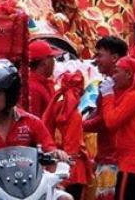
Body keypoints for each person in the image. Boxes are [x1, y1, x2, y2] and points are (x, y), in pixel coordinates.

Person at [100, 56, 135, 200]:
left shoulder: (134, 96)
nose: (113, 76)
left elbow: (111, 121)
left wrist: (107, 95)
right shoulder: (133, 94)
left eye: (116, 72)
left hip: (133, 163)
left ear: (129, 74)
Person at [83, 35, 127, 200]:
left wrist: (79, 126)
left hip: (115, 157)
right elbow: (99, 113)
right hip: (108, 155)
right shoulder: (108, 83)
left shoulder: (118, 85)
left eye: (100, 55)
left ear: (115, 57)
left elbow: (105, 120)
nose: (96, 60)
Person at [43, 71, 91, 200]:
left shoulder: (57, 106)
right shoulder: (74, 115)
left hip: (54, 166)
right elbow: (72, 148)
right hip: (72, 171)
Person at [28, 40, 62, 117]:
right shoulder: (33, 89)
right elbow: (33, 123)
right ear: (44, 63)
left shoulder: (44, 83)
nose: (54, 62)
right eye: (52, 58)